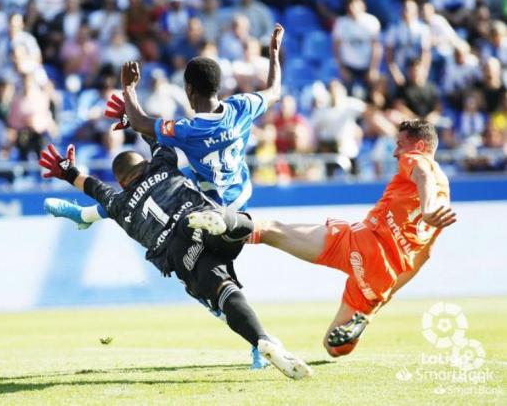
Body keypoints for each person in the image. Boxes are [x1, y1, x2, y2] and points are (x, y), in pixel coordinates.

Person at [44, 23, 284, 368]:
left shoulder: (187, 130)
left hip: (208, 204)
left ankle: (85, 216)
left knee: (144, 198)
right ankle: (86, 215)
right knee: (158, 185)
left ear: (188, 89)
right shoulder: (242, 106)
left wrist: (129, 93)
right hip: (238, 199)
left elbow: (148, 127)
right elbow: (274, 90)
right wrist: (273, 54)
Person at [38, 140, 312, 380]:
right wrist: (132, 114)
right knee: (238, 229)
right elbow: (156, 135)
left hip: (178, 254)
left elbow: (95, 188)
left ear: (121, 183)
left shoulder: (117, 204)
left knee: (223, 291)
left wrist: (68, 172)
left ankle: (261, 339)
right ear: (145, 163)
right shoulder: (161, 166)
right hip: (192, 218)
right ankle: (223, 223)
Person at [247, 120, 457, 357]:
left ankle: (215, 225)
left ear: (419, 146)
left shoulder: (417, 160)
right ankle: (360, 322)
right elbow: (424, 256)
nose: (396, 152)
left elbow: (422, 174)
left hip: (363, 242)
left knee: (269, 230)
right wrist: (383, 296)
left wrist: (427, 209)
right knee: (334, 347)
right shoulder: (445, 196)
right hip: (382, 276)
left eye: (400, 145)